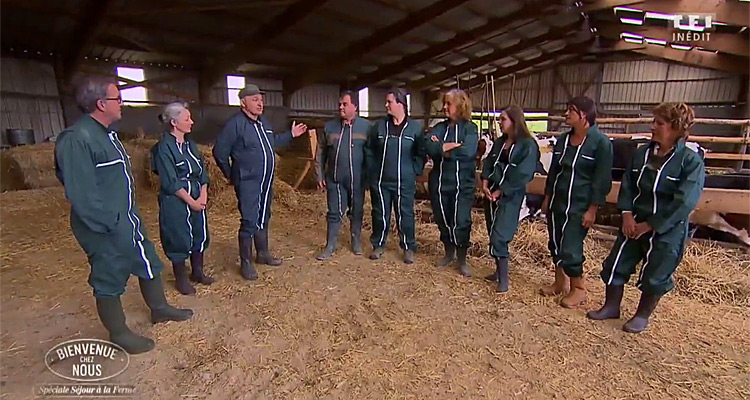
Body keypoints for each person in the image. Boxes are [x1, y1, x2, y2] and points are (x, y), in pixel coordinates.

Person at [54, 76, 192, 355]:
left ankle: (159, 308)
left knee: (147, 259)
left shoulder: (107, 134)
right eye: (118, 99)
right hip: (104, 225)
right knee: (109, 274)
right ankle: (118, 333)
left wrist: (127, 217)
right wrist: (111, 224)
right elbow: (81, 194)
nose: (123, 104)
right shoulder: (77, 139)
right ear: (101, 104)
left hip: (126, 217)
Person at [587, 102, 704, 333]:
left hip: (666, 229)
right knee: (615, 263)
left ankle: (641, 316)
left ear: (676, 128)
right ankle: (611, 306)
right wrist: (627, 215)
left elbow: (684, 201)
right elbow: (628, 185)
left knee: (656, 273)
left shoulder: (690, 162)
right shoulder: (642, 153)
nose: (652, 127)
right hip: (634, 222)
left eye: (659, 123)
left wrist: (651, 225)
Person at [213, 84, 307, 280]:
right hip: (247, 181)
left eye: (261, 100)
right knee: (249, 219)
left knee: (264, 215)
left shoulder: (263, 122)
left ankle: (262, 254)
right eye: (255, 99)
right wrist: (230, 174)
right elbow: (219, 152)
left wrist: (291, 135)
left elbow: (272, 142)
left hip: (265, 180)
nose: (260, 103)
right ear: (243, 102)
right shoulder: (235, 124)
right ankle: (246, 262)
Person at [540, 96, 613, 308]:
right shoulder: (563, 140)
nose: (566, 114)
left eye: (571, 110)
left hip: (579, 204)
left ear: (584, 115)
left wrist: (592, 209)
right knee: (555, 242)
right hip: (558, 201)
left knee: (571, 246)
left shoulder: (601, 144)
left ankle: (578, 289)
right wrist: (547, 198)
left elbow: (601, 180)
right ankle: (559, 283)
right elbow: (554, 171)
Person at [151, 102, 213, 295]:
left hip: (196, 195)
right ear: (174, 122)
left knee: (199, 232)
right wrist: (191, 201)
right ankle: (181, 278)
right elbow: (170, 180)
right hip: (176, 200)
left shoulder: (190, 145)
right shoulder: (163, 148)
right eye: (187, 119)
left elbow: (202, 172)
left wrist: (203, 194)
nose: (191, 122)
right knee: (177, 235)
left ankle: (197, 272)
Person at [481, 105, 540, 292]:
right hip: (491, 192)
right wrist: (484, 182)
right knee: (492, 230)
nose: (500, 122)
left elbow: (523, 173)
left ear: (515, 121)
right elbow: (489, 161)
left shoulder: (527, 145)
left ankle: (504, 280)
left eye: (503, 119)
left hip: (510, 196)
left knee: (500, 234)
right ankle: (498, 272)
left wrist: (502, 190)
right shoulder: (500, 143)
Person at [364, 88, 426, 264]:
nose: (386, 105)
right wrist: (372, 170)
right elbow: (370, 149)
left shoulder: (414, 128)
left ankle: (408, 247)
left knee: (405, 214)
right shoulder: (379, 126)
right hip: (382, 180)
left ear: (400, 104)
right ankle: (378, 245)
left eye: (389, 102)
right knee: (380, 213)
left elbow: (421, 152)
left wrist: (415, 170)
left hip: (404, 181)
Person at [424, 89, 478, 276]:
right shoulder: (439, 127)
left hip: (462, 184)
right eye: (444, 103)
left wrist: (443, 150)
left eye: (449, 104)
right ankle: (449, 252)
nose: (444, 107)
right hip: (439, 183)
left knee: (461, 221)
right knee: (442, 219)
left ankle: (462, 258)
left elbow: (469, 151)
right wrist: (446, 148)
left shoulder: (470, 129)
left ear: (460, 106)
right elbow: (428, 145)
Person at [315, 91, 371, 260]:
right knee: (334, 212)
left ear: (355, 106)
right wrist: (319, 175)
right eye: (340, 104)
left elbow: (372, 154)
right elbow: (320, 153)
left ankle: (355, 241)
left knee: (357, 211)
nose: (340, 107)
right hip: (335, 178)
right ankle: (330, 245)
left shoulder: (366, 127)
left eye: (344, 104)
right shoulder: (330, 127)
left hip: (358, 179)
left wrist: (370, 177)